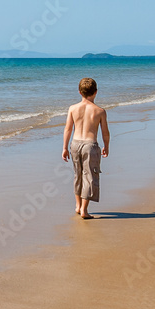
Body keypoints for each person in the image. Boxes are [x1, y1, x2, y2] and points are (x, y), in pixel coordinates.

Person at [62, 77, 110, 219]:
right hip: (90, 145)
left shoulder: (72, 108)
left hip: (75, 144)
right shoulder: (99, 111)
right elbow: (105, 132)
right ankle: (84, 209)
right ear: (96, 92)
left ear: (79, 92)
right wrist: (106, 146)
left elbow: (68, 129)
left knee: (78, 175)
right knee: (89, 177)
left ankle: (77, 206)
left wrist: (65, 147)